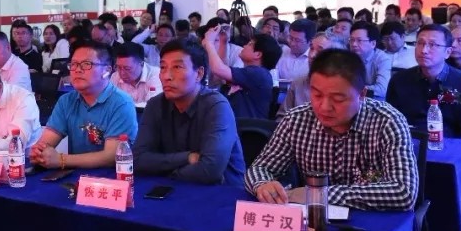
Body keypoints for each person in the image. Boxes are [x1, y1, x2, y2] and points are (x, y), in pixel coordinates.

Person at [245, 50, 417, 211]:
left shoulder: (387, 121)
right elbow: (259, 168)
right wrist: (263, 184)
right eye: (317, 95)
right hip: (314, 221)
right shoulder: (297, 119)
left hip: (373, 222)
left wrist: (319, 195)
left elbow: (404, 192)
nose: (325, 107)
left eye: (338, 99)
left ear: (362, 94)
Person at [133, 40, 245, 186]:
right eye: (163, 67)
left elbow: (209, 171)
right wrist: (187, 157)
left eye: (177, 67)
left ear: (199, 74)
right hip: (173, 188)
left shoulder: (216, 106)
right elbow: (137, 160)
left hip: (222, 191)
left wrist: (165, 171)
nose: (166, 76)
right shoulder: (156, 104)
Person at [30, 42, 139, 169]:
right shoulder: (66, 101)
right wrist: (39, 152)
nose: (77, 70)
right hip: (74, 176)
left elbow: (111, 156)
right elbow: (45, 143)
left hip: (110, 177)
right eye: (74, 64)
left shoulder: (121, 103)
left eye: (86, 64)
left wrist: (61, 160)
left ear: (107, 70)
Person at [386, 24, 461, 139]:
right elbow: (390, 124)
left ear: (447, 52)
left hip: (450, 145)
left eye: (433, 45)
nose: (424, 50)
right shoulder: (399, 80)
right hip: (407, 143)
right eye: (420, 43)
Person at [202, 28, 278, 120]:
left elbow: (218, 69)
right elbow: (221, 75)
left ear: (257, 54)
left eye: (250, 44)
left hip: (247, 127)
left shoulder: (259, 74)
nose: (244, 46)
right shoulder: (252, 73)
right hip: (238, 125)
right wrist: (223, 42)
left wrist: (209, 43)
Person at [279, 33, 347, 116]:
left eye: (320, 51)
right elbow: (282, 116)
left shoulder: (346, 88)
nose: (312, 55)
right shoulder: (298, 83)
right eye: (311, 48)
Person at [348, 22, 392, 100]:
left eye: (359, 40)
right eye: (352, 40)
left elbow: (382, 89)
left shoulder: (382, 59)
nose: (354, 44)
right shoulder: (347, 57)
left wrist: (353, 88)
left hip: (374, 101)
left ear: (373, 44)